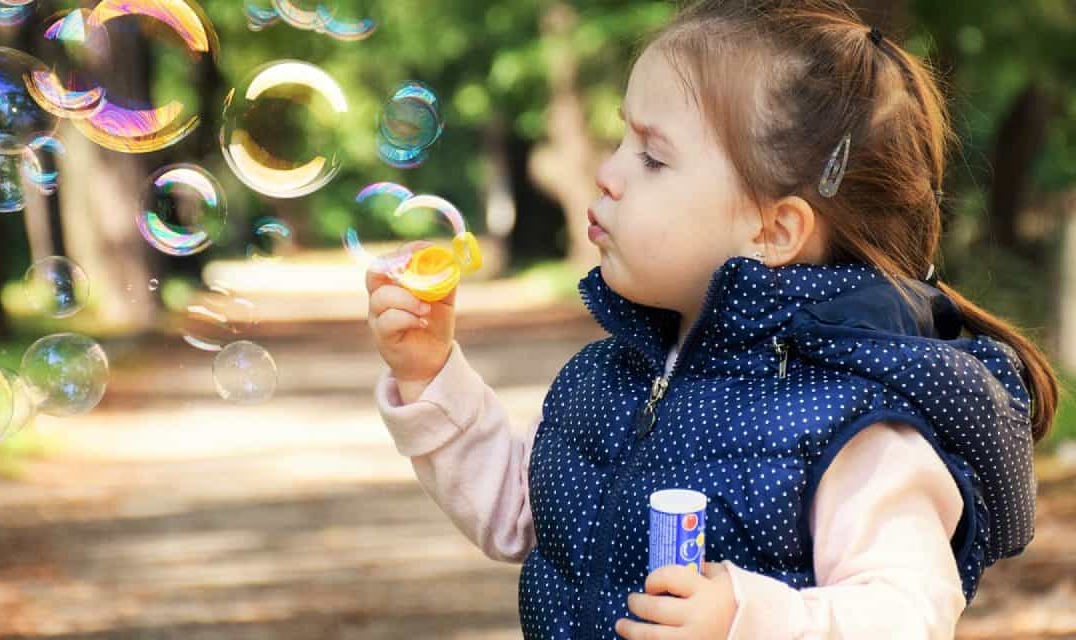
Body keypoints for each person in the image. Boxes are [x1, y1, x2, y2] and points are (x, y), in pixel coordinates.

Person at [365, 1, 1058, 638]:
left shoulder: (852, 420)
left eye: (653, 156)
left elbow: (908, 611)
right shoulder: (613, 376)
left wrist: (747, 618)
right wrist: (431, 376)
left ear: (774, 229)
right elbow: (526, 516)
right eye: (620, 140)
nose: (608, 174)